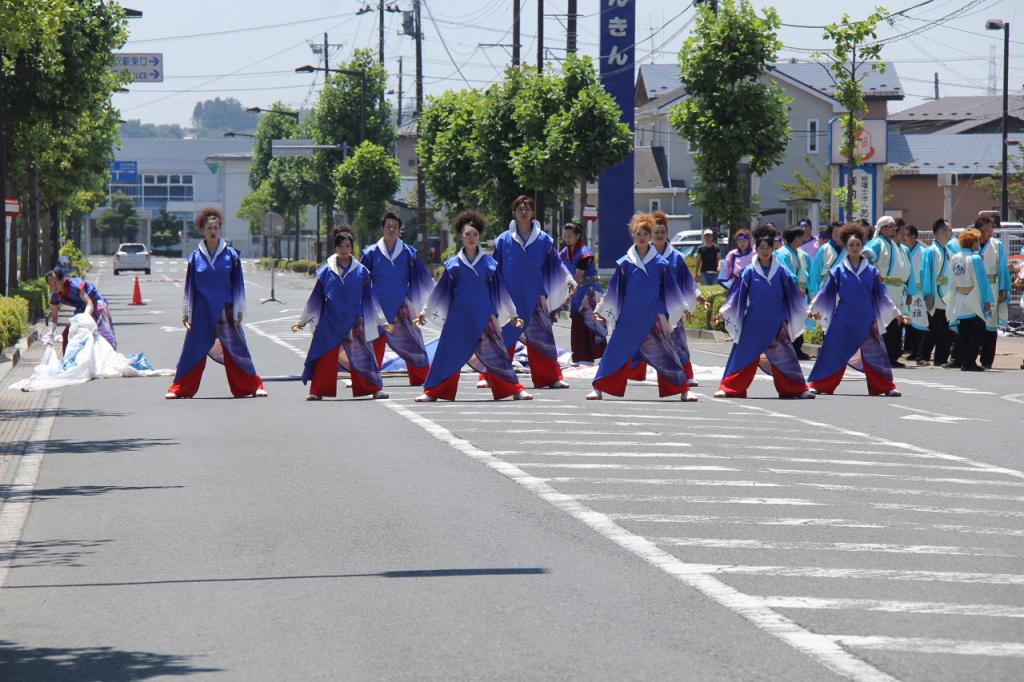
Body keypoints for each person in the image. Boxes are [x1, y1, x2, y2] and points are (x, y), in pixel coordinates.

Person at [414, 211, 532, 402]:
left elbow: (501, 292)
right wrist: (425, 312)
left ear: (480, 237)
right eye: (467, 234)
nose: (471, 238)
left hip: (485, 317)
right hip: (458, 319)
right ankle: (433, 392)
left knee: (498, 356)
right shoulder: (453, 265)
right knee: (447, 355)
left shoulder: (489, 264)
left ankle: (515, 389)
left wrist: (513, 313)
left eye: (475, 234)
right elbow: (439, 293)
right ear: (461, 235)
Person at [587, 213, 695, 401]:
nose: (643, 237)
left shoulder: (661, 264)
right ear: (633, 236)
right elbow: (615, 289)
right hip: (629, 315)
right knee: (615, 351)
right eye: (639, 234)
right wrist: (602, 310)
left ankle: (683, 389)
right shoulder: (626, 262)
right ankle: (599, 387)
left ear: (651, 236)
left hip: (654, 315)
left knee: (667, 353)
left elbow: (671, 289)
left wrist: (681, 307)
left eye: (646, 233)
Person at [166, 208, 267, 399]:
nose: (213, 231)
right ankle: (180, 388)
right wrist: (186, 312)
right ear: (202, 230)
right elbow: (189, 287)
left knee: (237, 349)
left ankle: (252, 386)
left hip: (225, 310)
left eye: (216, 227)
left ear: (220, 230)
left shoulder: (231, 256)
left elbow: (238, 286)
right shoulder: (195, 257)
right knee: (193, 350)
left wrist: (239, 309)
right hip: (201, 311)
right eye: (209, 228)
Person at [713, 226, 814, 400]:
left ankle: (797, 389)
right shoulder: (750, 271)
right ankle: (731, 388)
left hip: (776, 321)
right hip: (754, 321)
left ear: (773, 248)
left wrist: (806, 311)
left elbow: (793, 292)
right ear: (756, 249)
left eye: (768, 247)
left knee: (786, 358)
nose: (765, 251)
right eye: (761, 248)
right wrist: (725, 311)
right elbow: (737, 296)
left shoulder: (781, 270)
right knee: (744, 356)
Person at [806, 223, 903, 397]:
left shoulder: (872, 271)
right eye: (851, 245)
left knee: (875, 354)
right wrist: (812, 309)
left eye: (858, 245)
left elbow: (882, 295)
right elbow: (825, 293)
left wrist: (896, 312)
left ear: (863, 246)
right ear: (845, 246)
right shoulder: (838, 271)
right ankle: (820, 385)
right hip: (843, 317)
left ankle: (885, 386)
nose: (855, 248)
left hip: (867, 317)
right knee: (833, 351)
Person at [293, 229, 390, 400]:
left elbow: (370, 298)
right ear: (335, 248)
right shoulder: (325, 272)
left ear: (352, 247)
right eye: (341, 246)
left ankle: (375, 389)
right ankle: (317, 391)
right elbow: (316, 298)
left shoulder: (362, 272)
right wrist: (302, 321)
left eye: (348, 245)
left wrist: (381, 321)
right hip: (330, 320)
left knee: (365, 355)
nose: (344, 249)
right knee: (324, 355)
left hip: (355, 319)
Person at [489, 195, 574, 389]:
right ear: (514, 213)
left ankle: (549, 378)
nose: (524, 212)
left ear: (533, 213)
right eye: (520, 209)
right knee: (505, 336)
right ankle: (495, 377)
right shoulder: (503, 240)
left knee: (541, 337)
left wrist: (568, 280)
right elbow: (494, 267)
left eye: (527, 209)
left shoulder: (544, 239)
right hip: (511, 297)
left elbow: (555, 264)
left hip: (536, 295)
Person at [360, 212, 433, 386]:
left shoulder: (409, 252)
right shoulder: (370, 253)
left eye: (395, 226)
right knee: (373, 343)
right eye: (388, 226)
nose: (391, 229)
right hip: (378, 306)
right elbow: (360, 278)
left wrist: (433, 300)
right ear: (382, 228)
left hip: (403, 306)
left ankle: (421, 378)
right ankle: (370, 381)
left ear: (400, 230)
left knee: (414, 343)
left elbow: (422, 278)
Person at [652, 211, 704, 385]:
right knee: (638, 340)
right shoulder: (643, 256)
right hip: (649, 305)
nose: (659, 235)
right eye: (656, 232)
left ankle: (687, 375)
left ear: (667, 234)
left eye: (662, 232)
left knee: (678, 342)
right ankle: (629, 373)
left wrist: (697, 296)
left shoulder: (677, 258)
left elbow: (687, 281)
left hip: (672, 305)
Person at [864, 216, 916, 368]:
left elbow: (908, 271)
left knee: (897, 323)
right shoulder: (877, 243)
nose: (894, 229)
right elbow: (865, 257)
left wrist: (910, 292)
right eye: (890, 226)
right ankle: (887, 356)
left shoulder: (895, 246)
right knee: (888, 324)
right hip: (885, 288)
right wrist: (874, 274)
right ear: (883, 228)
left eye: (894, 226)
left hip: (898, 289)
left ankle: (893, 355)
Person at [946, 228, 995, 372]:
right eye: (977, 240)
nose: (979, 243)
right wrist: (987, 301)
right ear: (972, 242)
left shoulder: (955, 258)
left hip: (960, 299)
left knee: (965, 333)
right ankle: (969, 361)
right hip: (973, 299)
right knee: (979, 332)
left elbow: (951, 281)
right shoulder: (975, 258)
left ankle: (963, 360)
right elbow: (982, 282)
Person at [559, 221, 605, 364]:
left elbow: (578, 277)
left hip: (589, 292)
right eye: (565, 236)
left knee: (591, 324)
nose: (567, 239)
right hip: (576, 291)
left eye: (570, 236)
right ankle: (581, 357)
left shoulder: (585, 253)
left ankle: (595, 356)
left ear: (578, 236)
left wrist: (567, 294)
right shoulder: (564, 252)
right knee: (578, 324)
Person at [45, 269, 117, 354]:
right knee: (66, 333)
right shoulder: (55, 296)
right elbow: (54, 317)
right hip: (81, 308)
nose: (54, 287)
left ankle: (110, 354)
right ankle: (67, 362)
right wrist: (51, 335)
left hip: (96, 304)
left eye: (55, 282)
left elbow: (89, 302)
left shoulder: (75, 286)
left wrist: (85, 318)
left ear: (63, 280)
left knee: (103, 333)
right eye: (50, 284)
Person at [917, 219, 957, 367]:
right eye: (949, 229)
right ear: (940, 231)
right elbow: (925, 273)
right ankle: (923, 356)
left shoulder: (948, 251)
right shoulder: (931, 251)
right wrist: (928, 294)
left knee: (946, 331)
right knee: (932, 329)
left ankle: (941, 358)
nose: (951, 232)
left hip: (947, 296)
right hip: (935, 294)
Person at [976, 214, 1012, 369]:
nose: (989, 231)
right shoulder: (973, 243)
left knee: (990, 324)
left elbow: (1003, 267)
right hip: (975, 288)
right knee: (974, 322)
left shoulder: (997, 245)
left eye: (991, 227)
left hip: (992, 286)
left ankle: (987, 359)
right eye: (986, 227)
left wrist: (1003, 287)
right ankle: (969, 354)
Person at [775, 225, 813, 360]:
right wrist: (796, 286)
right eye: (801, 236)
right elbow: (787, 272)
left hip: (798, 292)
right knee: (790, 321)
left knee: (798, 320)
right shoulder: (783, 253)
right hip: (789, 291)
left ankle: (796, 348)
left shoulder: (799, 253)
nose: (803, 239)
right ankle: (790, 348)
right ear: (796, 238)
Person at [902, 225, 929, 360]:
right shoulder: (906, 251)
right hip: (909, 292)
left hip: (919, 293)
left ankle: (920, 351)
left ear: (913, 237)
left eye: (906, 235)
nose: (904, 238)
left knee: (920, 321)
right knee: (911, 322)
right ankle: (913, 350)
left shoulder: (922, 252)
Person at [808, 222, 845, 297]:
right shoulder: (825, 248)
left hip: (844, 290)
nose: (837, 234)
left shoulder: (848, 248)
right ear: (830, 233)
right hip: (826, 289)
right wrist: (815, 294)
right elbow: (816, 272)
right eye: (835, 232)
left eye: (840, 232)